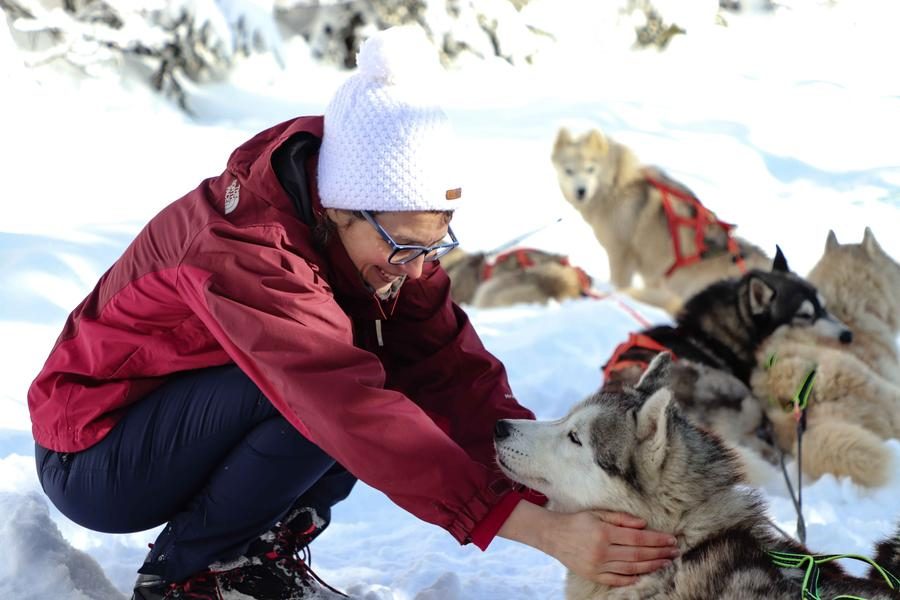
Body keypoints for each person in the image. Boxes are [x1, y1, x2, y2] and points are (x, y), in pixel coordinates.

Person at [28, 27, 679, 600]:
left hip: (180, 428)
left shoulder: (382, 245)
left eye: (435, 245)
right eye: (402, 245)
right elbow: (349, 408)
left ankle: (253, 554)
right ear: (339, 208)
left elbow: (451, 375)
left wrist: (552, 485)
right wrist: (540, 531)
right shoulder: (249, 249)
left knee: (379, 365)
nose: (418, 269)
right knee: (333, 390)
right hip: (95, 452)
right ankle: (192, 575)